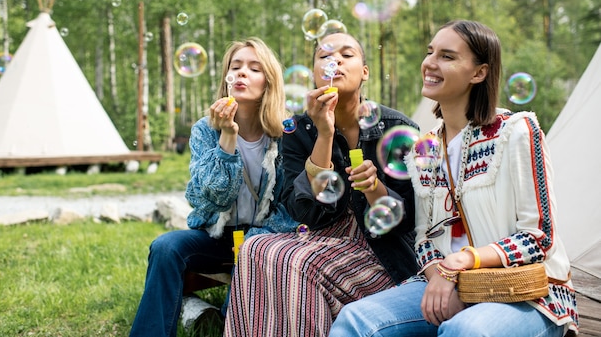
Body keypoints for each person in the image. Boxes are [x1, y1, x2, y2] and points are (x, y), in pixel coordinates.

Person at [329, 20, 579, 336]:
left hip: (527, 293)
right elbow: (424, 238)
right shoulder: (423, 150)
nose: (430, 63)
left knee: (467, 330)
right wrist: (440, 279)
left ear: (479, 73)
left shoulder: (516, 132)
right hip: (449, 282)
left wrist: (459, 263)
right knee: (355, 321)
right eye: (430, 52)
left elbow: (539, 237)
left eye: (447, 56)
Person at [224, 31, 420, 337]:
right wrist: (324, 133)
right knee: (253, 247)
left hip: (381, 252)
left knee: (294, 261)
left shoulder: (397, 128)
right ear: (315, 73)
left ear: (364, 72)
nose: (335, 61)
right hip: (323, 238)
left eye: (347, 54)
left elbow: (410, 221)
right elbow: (305, 213)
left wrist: (374, 189)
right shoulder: (299, 130)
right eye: (325, 56)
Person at [128, 37, 298, 337]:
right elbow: (211, 198)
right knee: (166, 247)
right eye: (236, 67)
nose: (242, 73)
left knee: (250, 254)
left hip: (264, 239)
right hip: (215, 235)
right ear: (226, 78)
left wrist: (254, 240)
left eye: (254, 68)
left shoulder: (283, 134)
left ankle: (226, 321)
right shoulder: (205, 129)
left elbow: (289, 207)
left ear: (269, 82)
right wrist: (227, 138)